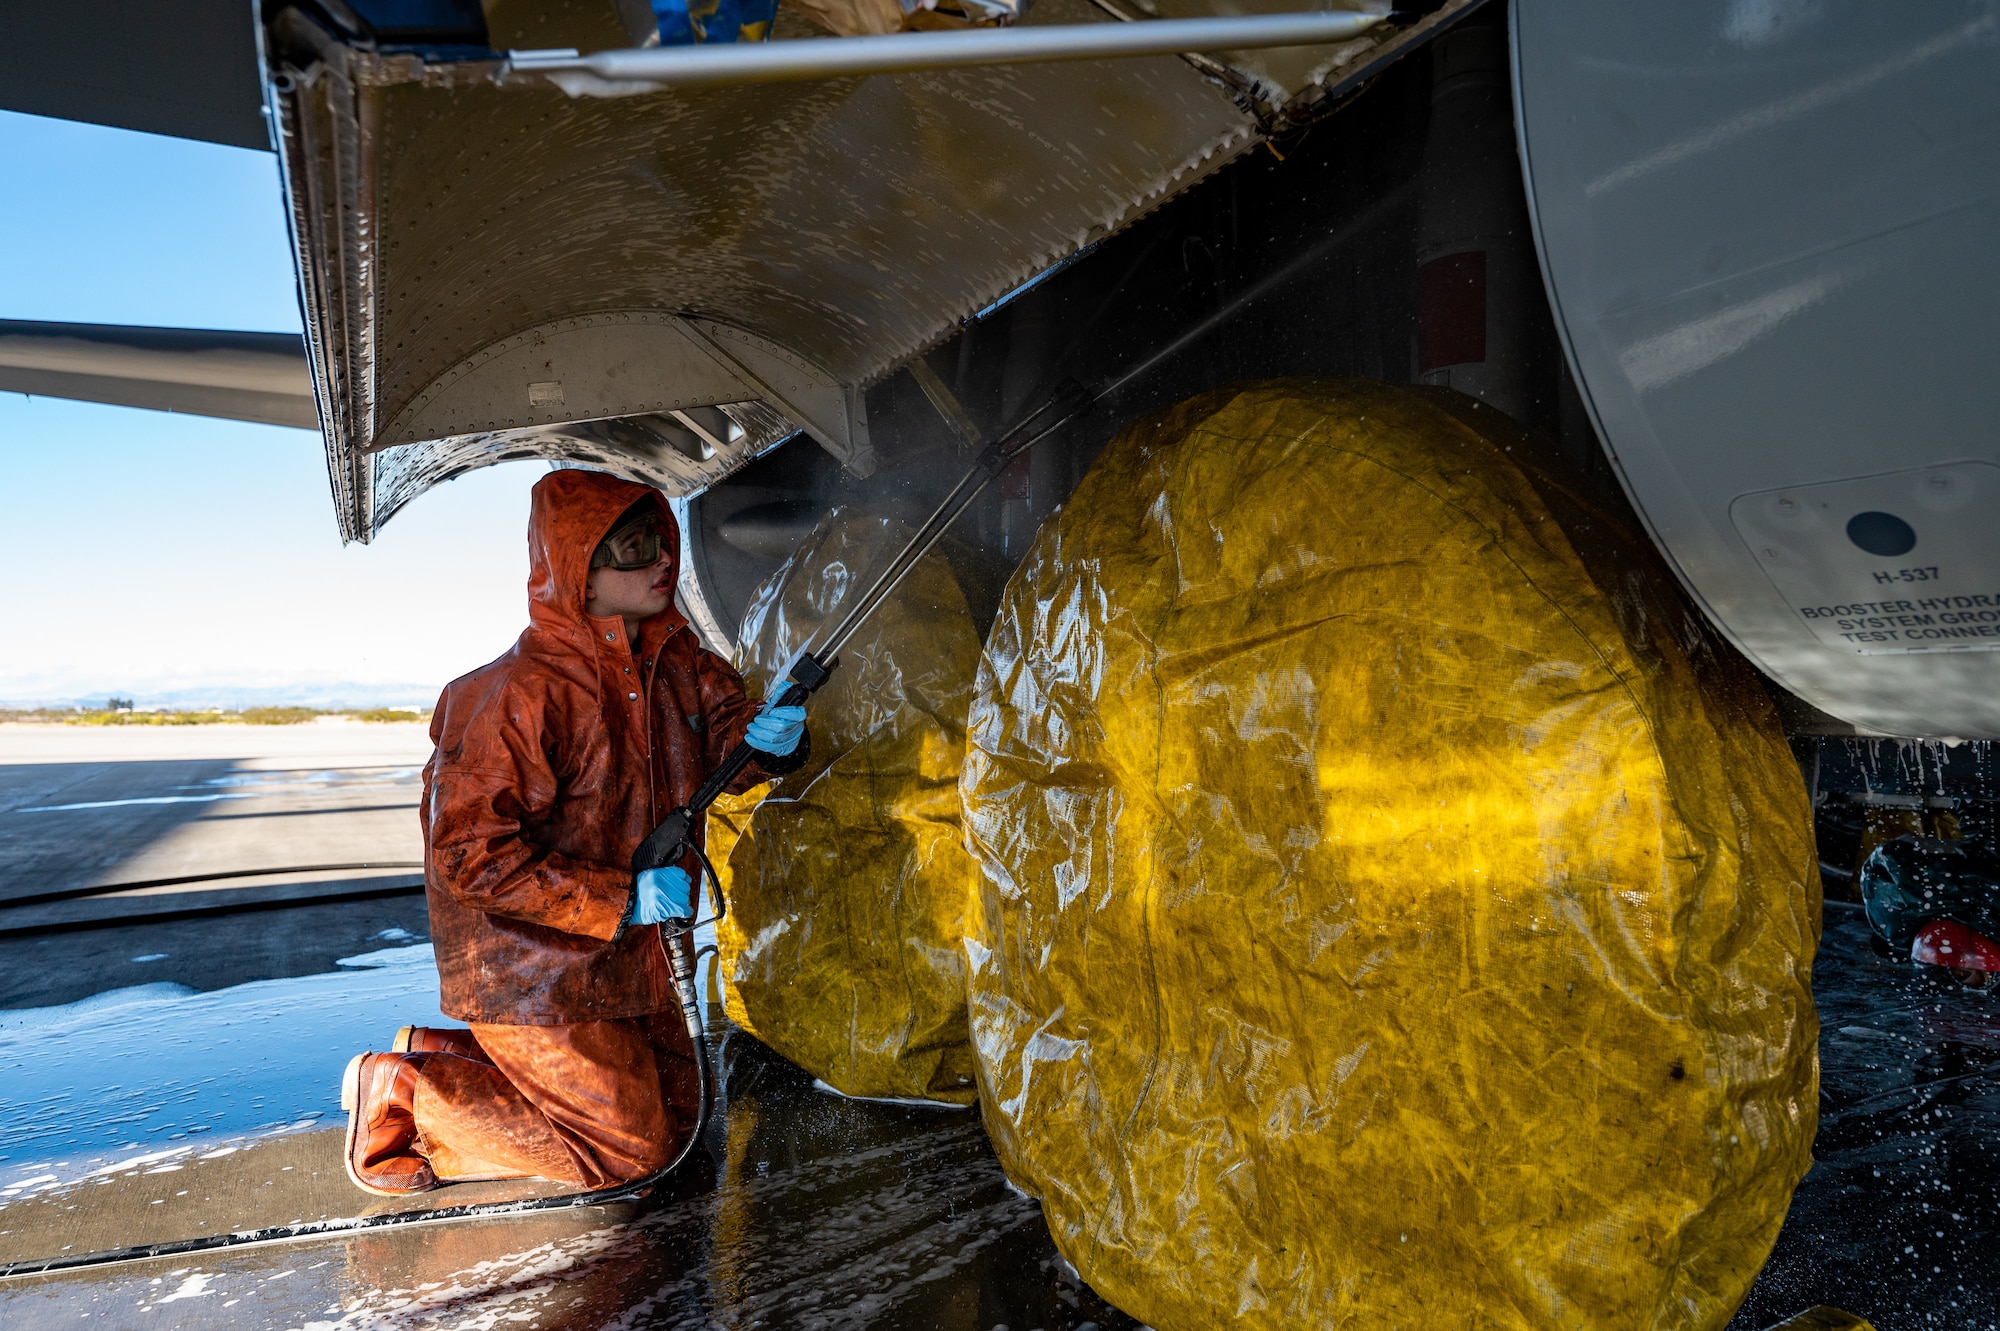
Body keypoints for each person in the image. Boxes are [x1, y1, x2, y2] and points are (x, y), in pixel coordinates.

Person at [339, 469, 809, 1195]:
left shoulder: (677, 661)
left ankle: (438, 1050)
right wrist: (622, 897)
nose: (660, 560)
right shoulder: (511, 695)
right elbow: (468, 857)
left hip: (630, 962)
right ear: (578, 574)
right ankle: (406, 1089)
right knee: (638, 1154)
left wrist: (766, 739)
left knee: (686, 1119)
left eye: (659, 541)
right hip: (532, 973)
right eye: (631, 548)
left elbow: (722, 738)